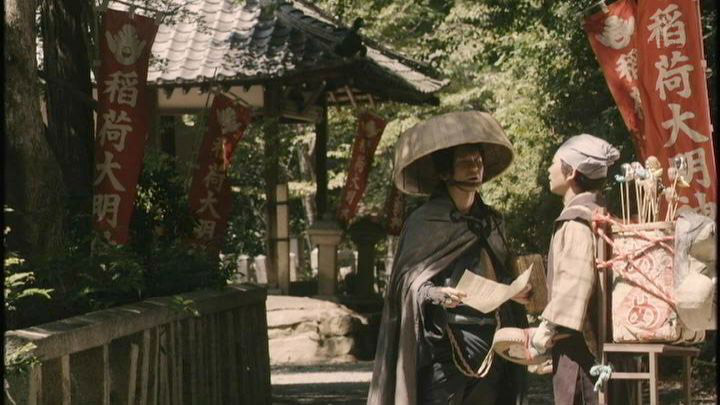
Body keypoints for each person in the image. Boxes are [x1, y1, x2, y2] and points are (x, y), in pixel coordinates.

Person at [367, 111, 531, 405]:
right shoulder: (424, 222)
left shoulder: (491, 221)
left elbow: (501, 269)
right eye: (466, 162)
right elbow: (406, 282)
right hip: (447, 339)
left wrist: (515, 290)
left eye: (478, 161)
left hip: (493, 336)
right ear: (445, 172)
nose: (475, 168)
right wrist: (435, 294)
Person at [530, 134, 620, 405]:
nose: (549, 169)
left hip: (580, 352)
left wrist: (545, 331)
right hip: (608, 347)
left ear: (570, 172)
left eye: (554, 163)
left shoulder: (576, 219)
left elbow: (576, 281)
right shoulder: (602, 213)